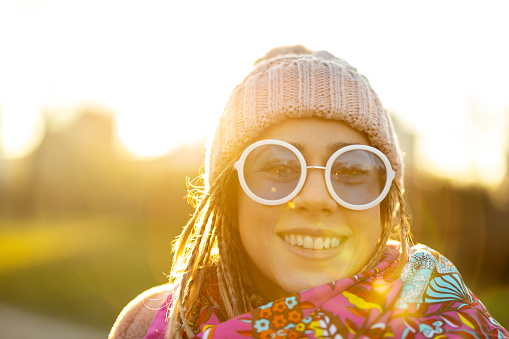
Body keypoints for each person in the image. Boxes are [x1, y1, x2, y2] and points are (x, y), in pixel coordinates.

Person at [109, 46, 508, 339]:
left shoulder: (451, 323)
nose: (316, 197)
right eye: (280, 167)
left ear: (384, 202)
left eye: (352, 168)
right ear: (230, 195)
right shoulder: (150, 323)